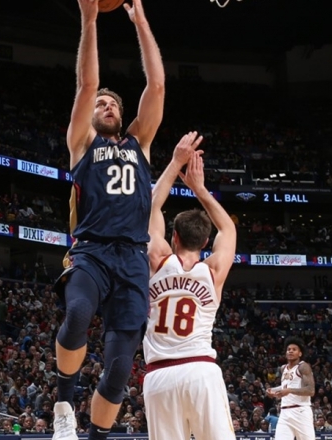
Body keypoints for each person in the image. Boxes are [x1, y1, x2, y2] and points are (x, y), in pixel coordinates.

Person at [51, 0, 165, 439]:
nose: (105, 104)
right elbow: (86, 83)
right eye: (101, 103)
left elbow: (156, 85)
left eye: (112, 102)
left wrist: (140, 22)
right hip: (92, 250)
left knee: (119, 369)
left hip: (133, 259)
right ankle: (64, 400)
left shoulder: (139, 143)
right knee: (77, 314)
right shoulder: (81, 143)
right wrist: (89, 18)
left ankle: (94, 436)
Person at [141, 134, 236, 440]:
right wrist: (200, 189)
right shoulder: (213, 271)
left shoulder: (158, 259)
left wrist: (175, 162)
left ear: (175, 238)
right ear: (206, 242)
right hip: (200, 371)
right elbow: (228, 228)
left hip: (159, 376)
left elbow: (150, 209)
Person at [267, 337, 316, 440]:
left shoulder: (303, 366)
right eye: (289, 349)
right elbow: (286, 386)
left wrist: (289, 391)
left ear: (300, 353)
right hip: (284, 412)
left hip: (300, 411)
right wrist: (273, 390)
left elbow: (310, 390)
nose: (290, 351)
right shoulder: (283, 368)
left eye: (294, 349)